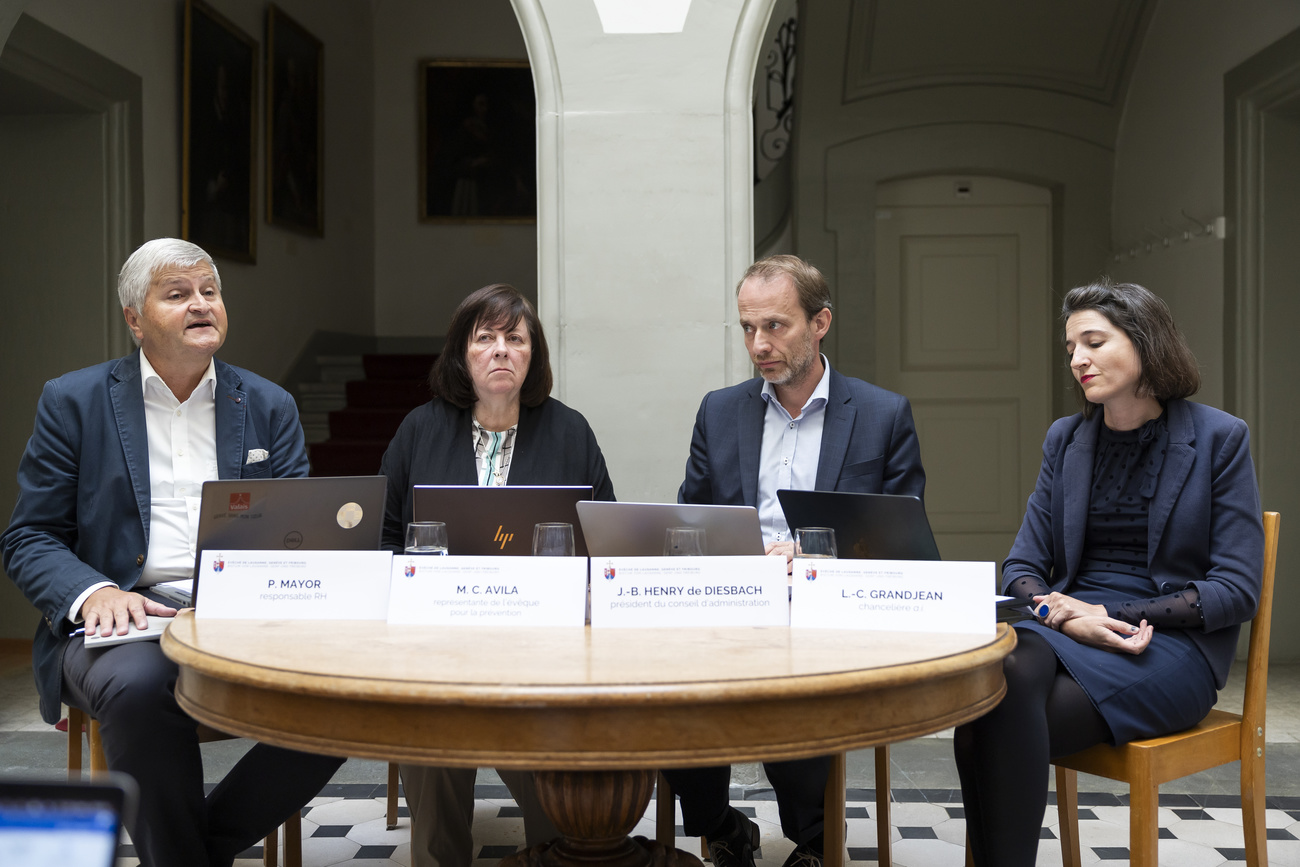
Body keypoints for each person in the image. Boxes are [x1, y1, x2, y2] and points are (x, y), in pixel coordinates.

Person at [1, 238, 344, 867]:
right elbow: (29, 536)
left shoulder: (269, 406)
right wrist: (94, 592)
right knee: (140, 686)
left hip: (242, 615)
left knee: (344, 697)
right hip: (122, 620)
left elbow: (303, 531)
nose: (200, 305)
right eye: (178, 294)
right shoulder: (73, 402)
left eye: (209, 291)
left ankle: (191, 855)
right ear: (135, 319)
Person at [954, 280, 1264, 867]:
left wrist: (1107, 614)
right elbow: (1021, 567)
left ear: (1147, 343)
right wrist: (1062, 615)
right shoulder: (1066, 439)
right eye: (1071, 347)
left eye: (1093, 342)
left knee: (987, 714)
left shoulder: (1220, 438)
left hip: (1169, 647)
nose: (1077, 360)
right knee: (1004, 670)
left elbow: (1236, 590)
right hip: (1066, 626)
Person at [663, 255, 926, 867]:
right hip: (732, 597)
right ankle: (722, 825)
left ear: (820, 323)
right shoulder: (720, 410)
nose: (760, 344)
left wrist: (811, 555)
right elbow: (689, 520)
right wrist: (747, 558)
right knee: (666, 682)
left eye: (776, 326)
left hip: (826, 602)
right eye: (749, 328)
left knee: (798, 676)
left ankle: (813, 839)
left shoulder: (882, 415)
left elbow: (899, 536)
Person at [380, 283, 615, 867]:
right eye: (484, 339)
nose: (501, 350)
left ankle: (554, 851)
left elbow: (606, 541)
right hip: (439, 639)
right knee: (431, 730)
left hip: (545, 644)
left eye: (515, 338)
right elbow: (382, 536)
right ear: (462, 354)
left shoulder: (571, 431)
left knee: (548, 745)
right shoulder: (419, 429)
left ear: (534, 354)